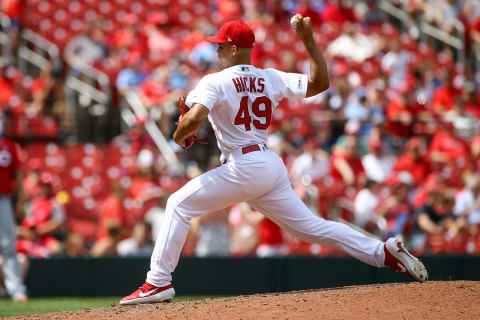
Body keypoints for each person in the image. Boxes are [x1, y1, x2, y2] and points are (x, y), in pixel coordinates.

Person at [120, 15, 428, 305]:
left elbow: (194, 119)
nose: (216, 50)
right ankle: (382, 251)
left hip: (243, 166)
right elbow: (319, 83)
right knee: (311, 227)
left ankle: (158, 281)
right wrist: (308, 39)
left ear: (234, 48)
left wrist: (179, 134)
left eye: (220, 45)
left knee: (177, 204)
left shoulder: (214, 81)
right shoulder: (270, 77)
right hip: (268, 164)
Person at [0, 120, 28, 301]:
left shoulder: (8, 146)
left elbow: (17, 175)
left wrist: (20, 202)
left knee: (9, 246)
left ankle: (16, 289)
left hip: (4, 199)